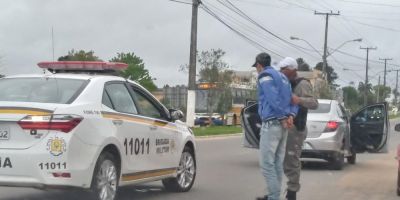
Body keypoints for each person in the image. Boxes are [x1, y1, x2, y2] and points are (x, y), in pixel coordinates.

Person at [253, 53, 298, 200]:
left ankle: (273, 197)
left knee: (266, 164)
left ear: (259, 65)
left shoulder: (265, 76)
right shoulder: (284, 78)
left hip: (273, 122)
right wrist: (291, 115)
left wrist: (282, 117)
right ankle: (275, 195)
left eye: (256, 67)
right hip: (283, 125)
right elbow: (292, 100)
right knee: (277, 163)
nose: (257, 70)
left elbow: (272, 98)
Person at [278, 57, 318, 200]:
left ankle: (292, 192)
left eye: (284, 69)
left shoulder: (302, 84)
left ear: (292, 70)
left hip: (296, 127)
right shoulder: (285, 83)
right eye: (281, 69)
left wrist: (299, 100)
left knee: (291, 160)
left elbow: (314, 103)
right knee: (279, 160)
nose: (281, 72)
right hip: (284, 126)